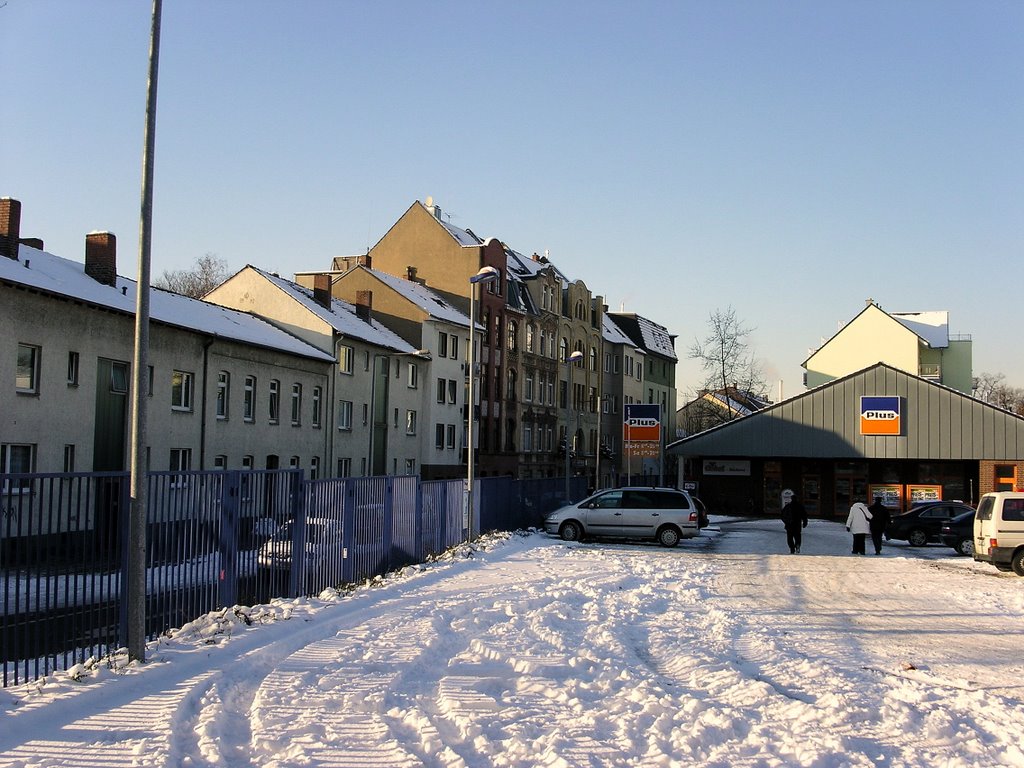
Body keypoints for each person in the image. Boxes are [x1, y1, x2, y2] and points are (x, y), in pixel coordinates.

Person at [780, 488, 808, 554]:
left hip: (789, 524)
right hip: (797, 524)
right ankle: (797, 545)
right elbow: (804, 515)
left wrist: (786, 521)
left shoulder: (788, 506)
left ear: (791, 499)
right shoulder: (800, 506)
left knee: (790, 538)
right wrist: (805, 522)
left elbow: (782, 515)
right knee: (797, 536)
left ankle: (792, 548)